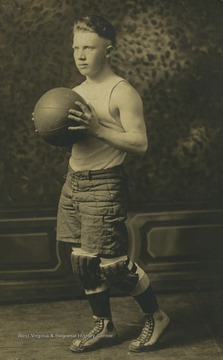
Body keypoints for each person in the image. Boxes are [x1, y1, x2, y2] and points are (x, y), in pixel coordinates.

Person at [56, 15, 170, 353]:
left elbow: (140, 143)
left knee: (114, 266)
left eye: (88, 47)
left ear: (109, 50)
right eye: (76, 47)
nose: (80, 55)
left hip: (105, 185)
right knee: (82, 261)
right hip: (73, 182)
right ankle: (103, 326)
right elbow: (73, 140)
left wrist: (96, 129)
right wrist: (52, 128)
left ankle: (157, 315)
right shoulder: (72, 93)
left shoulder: (123, 91)